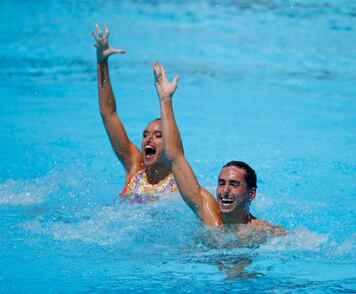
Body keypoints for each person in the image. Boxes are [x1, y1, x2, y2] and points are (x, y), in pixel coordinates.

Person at [153, 61, 286, 235]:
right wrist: (165, 100)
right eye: (221, 183)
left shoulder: (262, 232)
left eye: (234, 184)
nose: (225, 190)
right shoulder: (207, 214)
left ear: (251, 194)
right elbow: (175, 158)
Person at [92, 24, 177, 203]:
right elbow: (109, 114)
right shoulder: (135, 168)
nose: (148, 139)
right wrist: (102, 62)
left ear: (169, 143)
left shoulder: (178, 186)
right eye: (145, 134)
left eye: (157, 135)